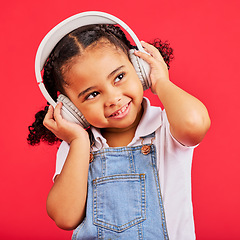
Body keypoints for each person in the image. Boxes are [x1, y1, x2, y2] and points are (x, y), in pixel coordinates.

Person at [28, 22, 210, 240]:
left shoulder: (167, 127)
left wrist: (161, 82)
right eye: (92, 95)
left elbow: (194, 123)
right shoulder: (78, 146)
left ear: (139, 68)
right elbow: (65, 217)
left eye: (119, 77)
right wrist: (78, 142)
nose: (113, 99)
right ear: (72, 110)